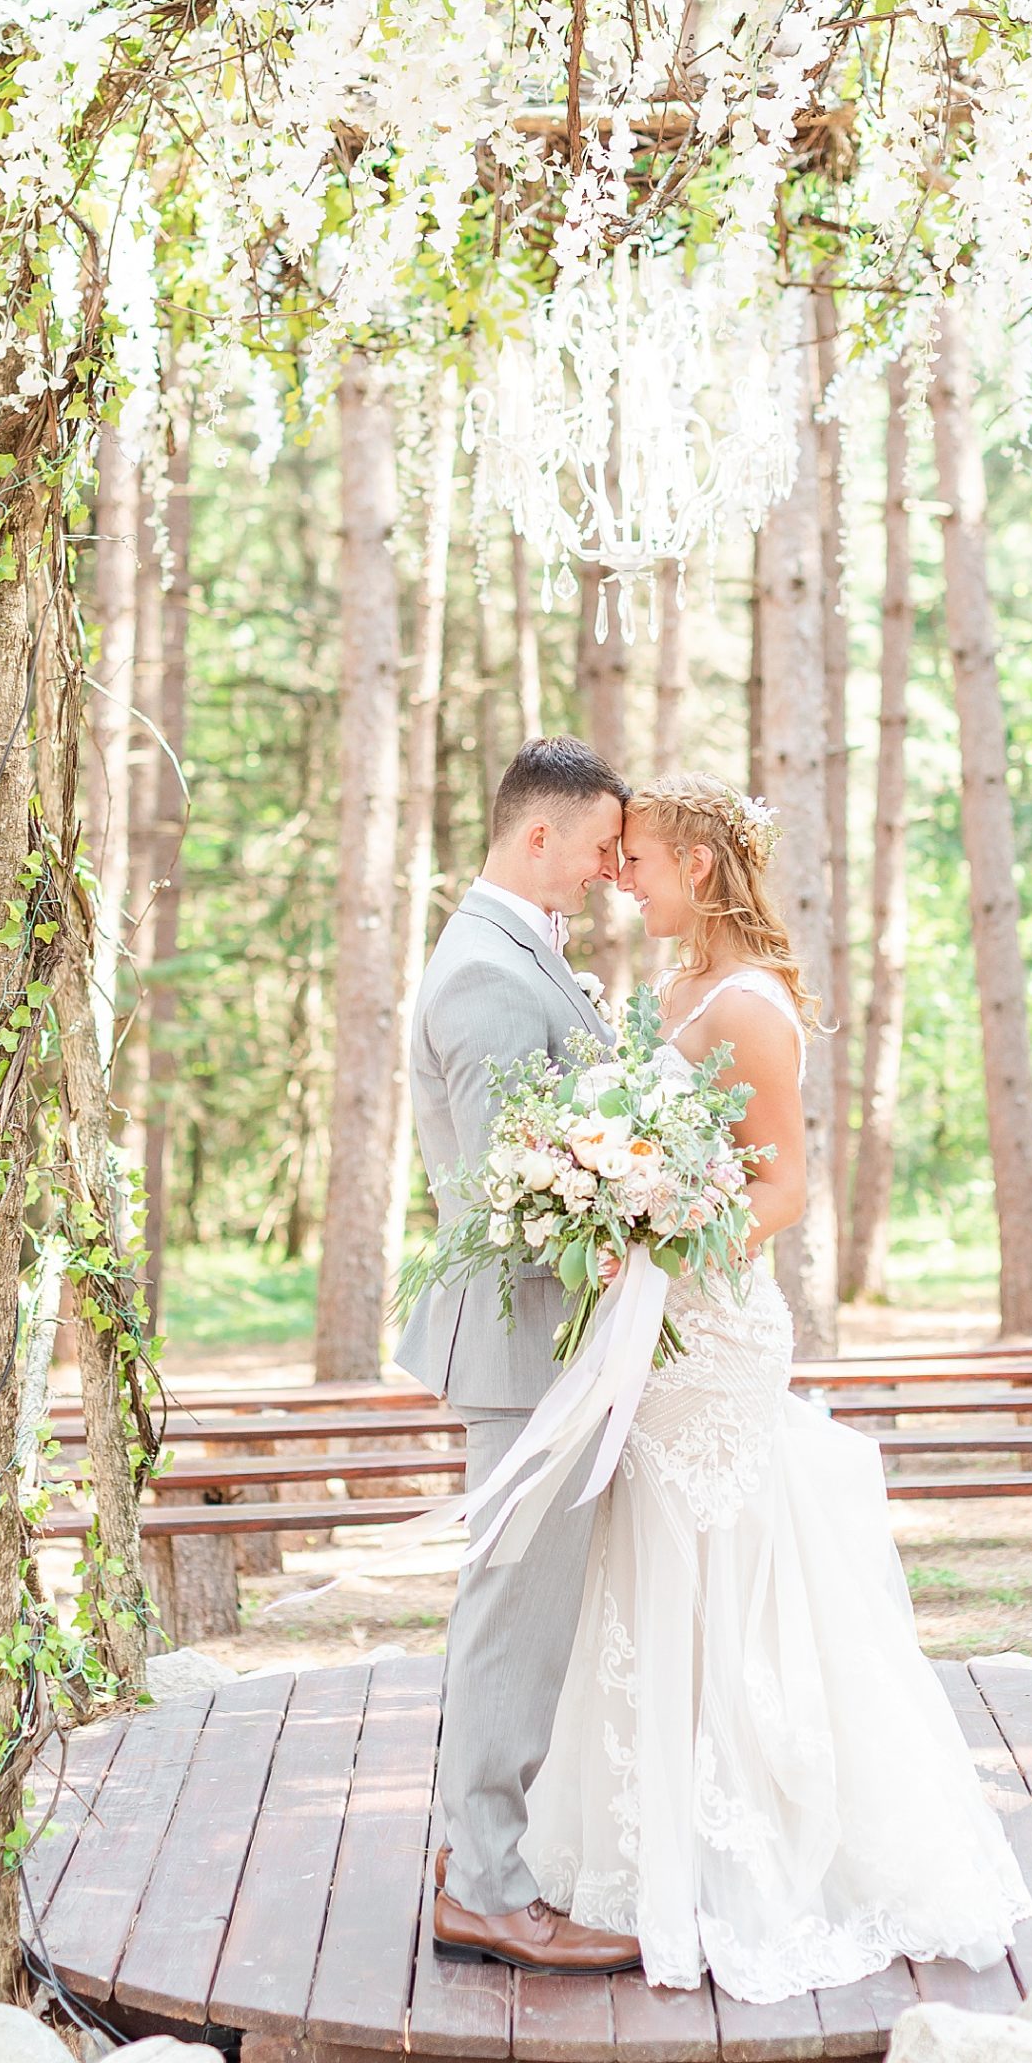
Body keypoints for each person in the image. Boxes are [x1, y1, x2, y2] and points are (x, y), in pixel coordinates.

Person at [517, 771, 1032, 2003]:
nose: (619, 876)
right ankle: (650, 1844)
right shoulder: (666, 988)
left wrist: (664, 1242)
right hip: (654, 1319)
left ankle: (756, 1850)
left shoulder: (749, 1005)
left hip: (715, 1326)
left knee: (727, 1568)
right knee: (645, 1569)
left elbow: (785, 1185)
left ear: (696, 865)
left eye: (635, 858)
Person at [398, 735, 644, 1976]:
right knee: (515, 1616)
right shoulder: (489, 974)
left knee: (524, 1605)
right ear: (535, 834)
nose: (610, 870)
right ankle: (488, 1889)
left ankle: (472, 1854)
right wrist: (641, 1217)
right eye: (601, 846)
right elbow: (517, 1190)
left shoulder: (517, 949)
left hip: (549, 1339)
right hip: (528, 1345)